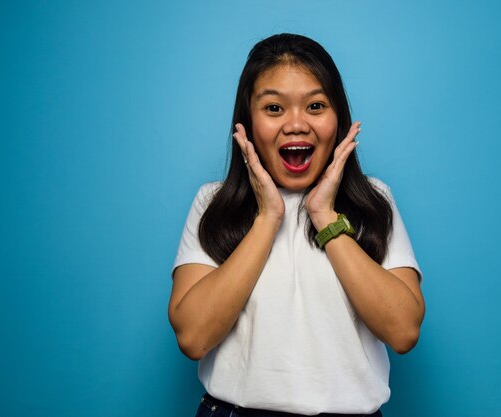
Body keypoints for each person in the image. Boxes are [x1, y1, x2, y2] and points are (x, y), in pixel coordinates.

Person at [169, 33, 425, 417]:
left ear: (337, 117)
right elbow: (193, 337)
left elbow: (403, 331)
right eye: (274, 108)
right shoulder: (212, 203)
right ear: (247, 122)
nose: (296, 125)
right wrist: (268, 218)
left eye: (316, 106)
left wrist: (323, 215)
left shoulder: (374, 200)